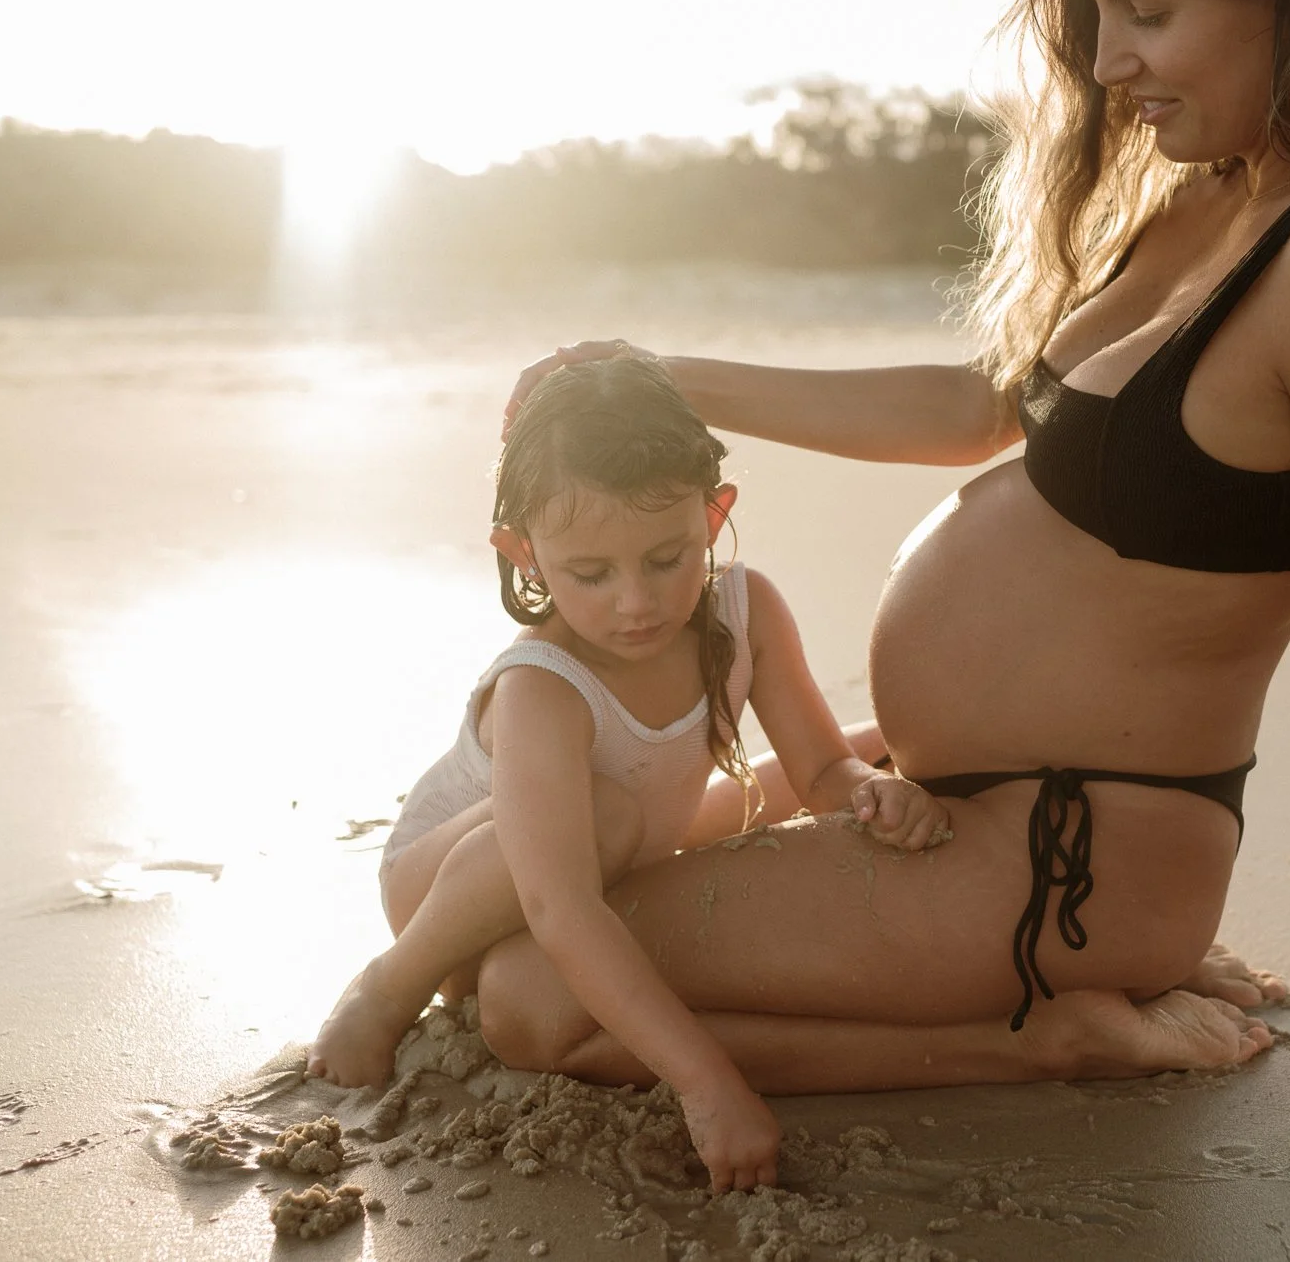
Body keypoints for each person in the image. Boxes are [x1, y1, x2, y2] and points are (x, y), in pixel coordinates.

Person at [480, 0, 1290, 1183]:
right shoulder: (1214, 202)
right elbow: (971, 407)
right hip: (967, 819)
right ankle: (1019, 996)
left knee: (529, 994)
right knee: (515, 912)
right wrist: (661, 376)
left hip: (1063, 859)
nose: (1107, 63)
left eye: (1148, 12)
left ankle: (1045, 1039)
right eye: (1098, 14)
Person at [306, 356, 971, 1189]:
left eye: (667, 557)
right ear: (525, 554)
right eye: (591, 573)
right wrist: (706, 1084)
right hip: (454, 887)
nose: (637, 601)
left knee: (865, 748)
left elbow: (819, 765)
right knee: (609, 817)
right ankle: (388, 983)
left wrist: (865, 789)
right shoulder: (543, 685)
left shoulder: (746, 607)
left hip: (633, 835)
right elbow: (559, 901)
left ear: (714, 511)